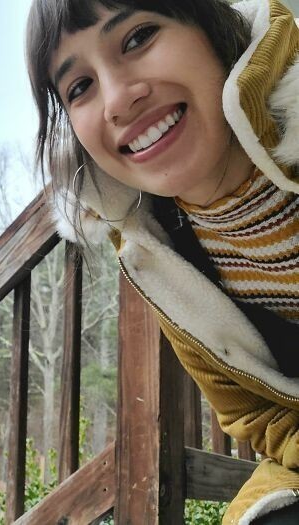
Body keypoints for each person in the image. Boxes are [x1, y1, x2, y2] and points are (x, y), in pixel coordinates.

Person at [25, 0, 299, 523]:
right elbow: (252, 410)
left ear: (215, 25)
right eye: (79, 86)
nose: (117, 101)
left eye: (137, 37)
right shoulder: (156, 253)